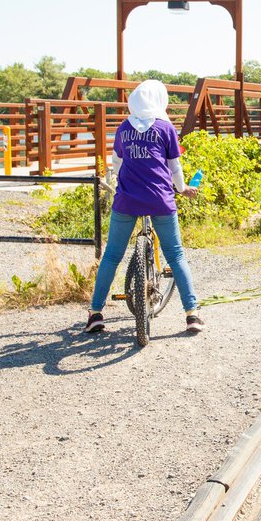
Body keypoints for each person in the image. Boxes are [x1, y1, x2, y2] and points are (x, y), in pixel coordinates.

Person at [84, 79, 205, 335]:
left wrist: (123, 183)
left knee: (112, 256)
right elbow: (174, 167)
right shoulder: (165, 128)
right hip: (160, 199)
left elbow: (117, 163)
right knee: (176, 255)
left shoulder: (123, 128)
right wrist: (182, 188)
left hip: (127, 200)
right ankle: (191, 314)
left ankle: (95, 313)